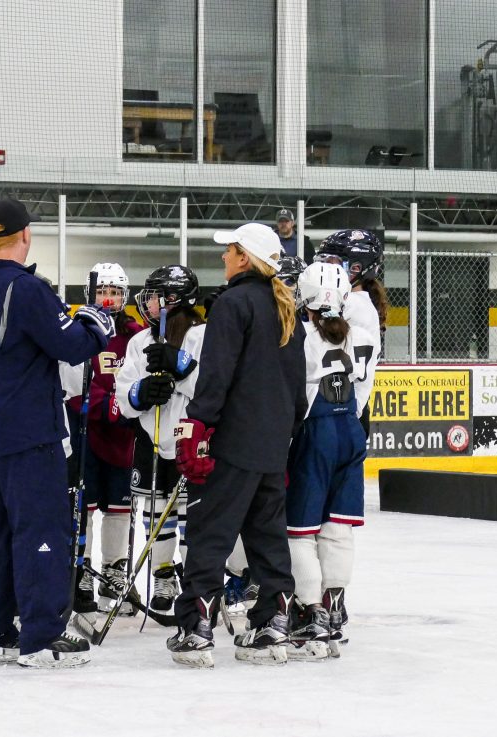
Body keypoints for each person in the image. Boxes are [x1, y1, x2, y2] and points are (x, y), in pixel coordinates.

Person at [0, 197, 112, 668]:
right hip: (30, 431)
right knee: (41, 529)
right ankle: (42, 636)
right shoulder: (27, 289)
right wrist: (96, 326)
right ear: (25, 235)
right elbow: (69, 346)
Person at [169, 222, 306, 668]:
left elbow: (216, 376)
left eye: (229, 251)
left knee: (210, 533)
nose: (223, 257)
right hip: (271, 446)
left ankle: (196, 627)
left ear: (245, 257)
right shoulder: (285, 309)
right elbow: (298, 393)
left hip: (232, 443)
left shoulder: (232, 304)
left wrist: (198, 425)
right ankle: (272, 624)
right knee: (267, 538)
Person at [285, 261, 379, 661]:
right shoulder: (363, 336)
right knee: (338, 528)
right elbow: (363, 394)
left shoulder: (299, 338)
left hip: (314, 435)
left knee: (300, 530)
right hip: (350, 433)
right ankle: (334, 604)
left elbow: (293, 398)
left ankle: (309, 611)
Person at [114, 265, 205, 617]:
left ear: (171, 300)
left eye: (154, 296)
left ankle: (196, 579)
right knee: (155, 514)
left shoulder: (202, 336)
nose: (147, 302)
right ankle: (162, 575)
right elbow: (123, 397)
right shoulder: (140, 342)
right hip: (152, 443)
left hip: (191, 443)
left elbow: (212, 389)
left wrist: (182, 375)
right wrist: (141, 393)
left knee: (190, 518)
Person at [62, 263, 144, 629]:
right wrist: (106, 404)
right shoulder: (79, 330)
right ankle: (81, 571)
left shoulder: (137, 334)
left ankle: (114, 572)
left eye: (115, 292)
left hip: (125, 435)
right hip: (87, 432)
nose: (108, 299)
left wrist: (130, 404)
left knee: (120, 507)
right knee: (85, 505)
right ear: (89, 295)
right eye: (101, 292)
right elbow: (73, 383)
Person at [314, 229, 387, 436]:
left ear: (356, 268)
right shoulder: (358, 302)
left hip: (343, 410)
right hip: (346, 409)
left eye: (332, 262)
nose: (325, 268)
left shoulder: (352, 304)